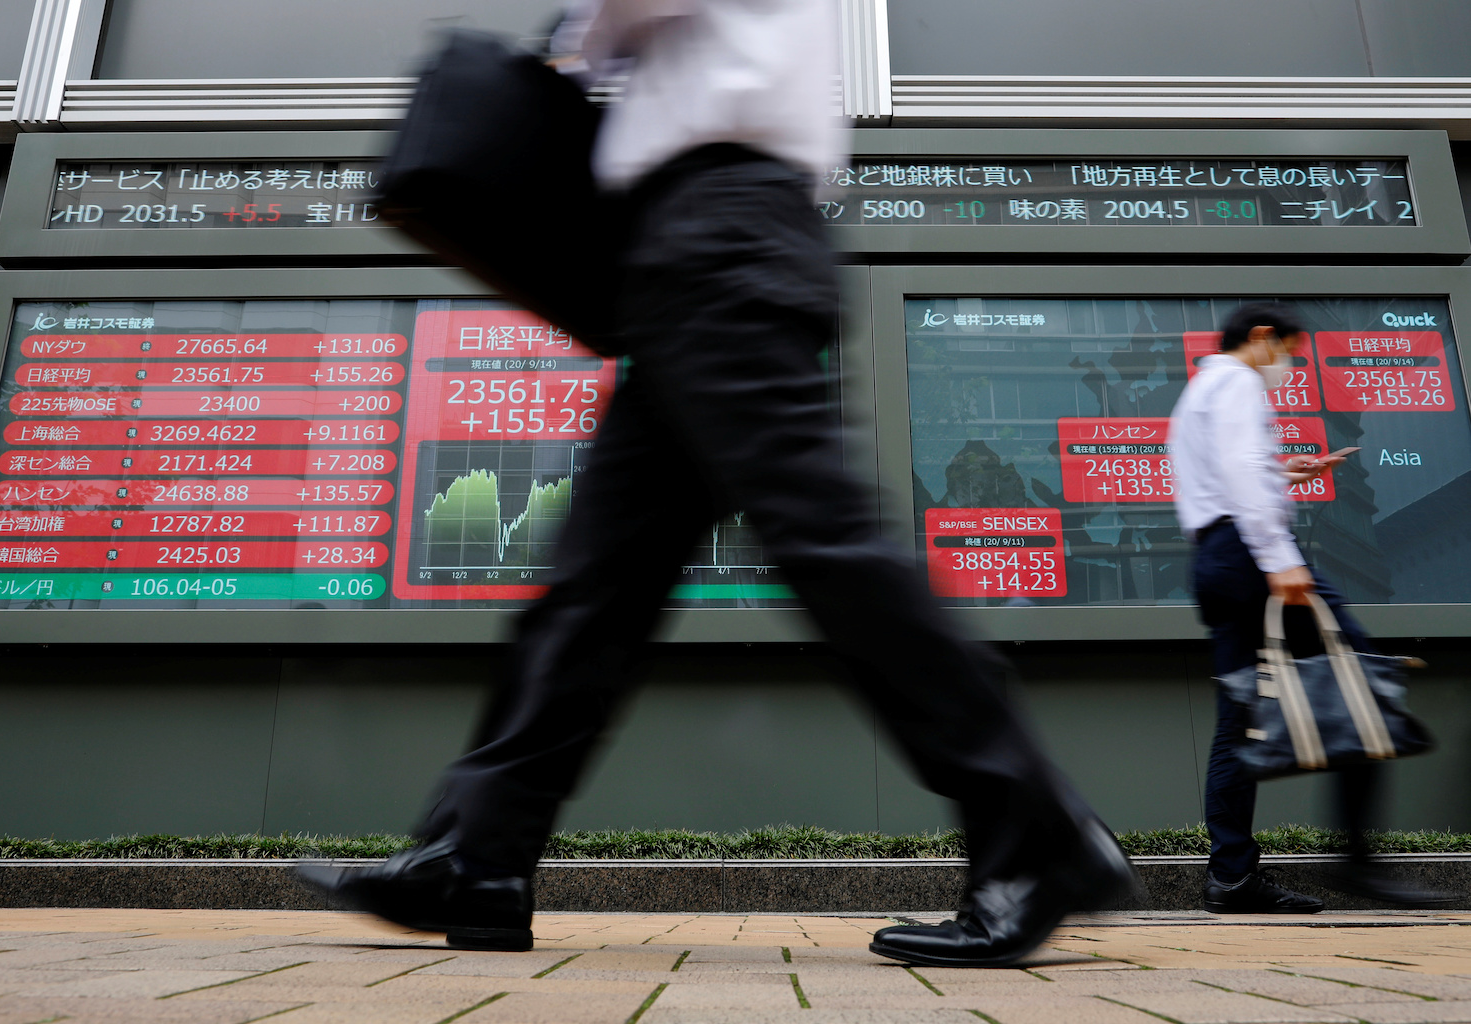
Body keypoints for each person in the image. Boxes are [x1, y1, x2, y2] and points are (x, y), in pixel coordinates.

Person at [300, 0, 1132, 965]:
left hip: (719, 231)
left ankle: (1037, 830)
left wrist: (579, 37)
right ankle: (476, 855)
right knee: (593, 591)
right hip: (688, 248)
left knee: (823, 544)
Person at [1169, 302, 1453, 912]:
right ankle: (1356, 862)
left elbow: (1227, 476)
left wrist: (1285, 475)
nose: (1290, 368)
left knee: (1239, 720)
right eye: (1292, 354)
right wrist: (1281, 559)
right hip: (1253, 555)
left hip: (1219, 558)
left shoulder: (1200, 390)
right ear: (1264, 338)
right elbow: (1241, 471)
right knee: (1363, 679)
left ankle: (1233, 877)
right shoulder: (1240, 380)